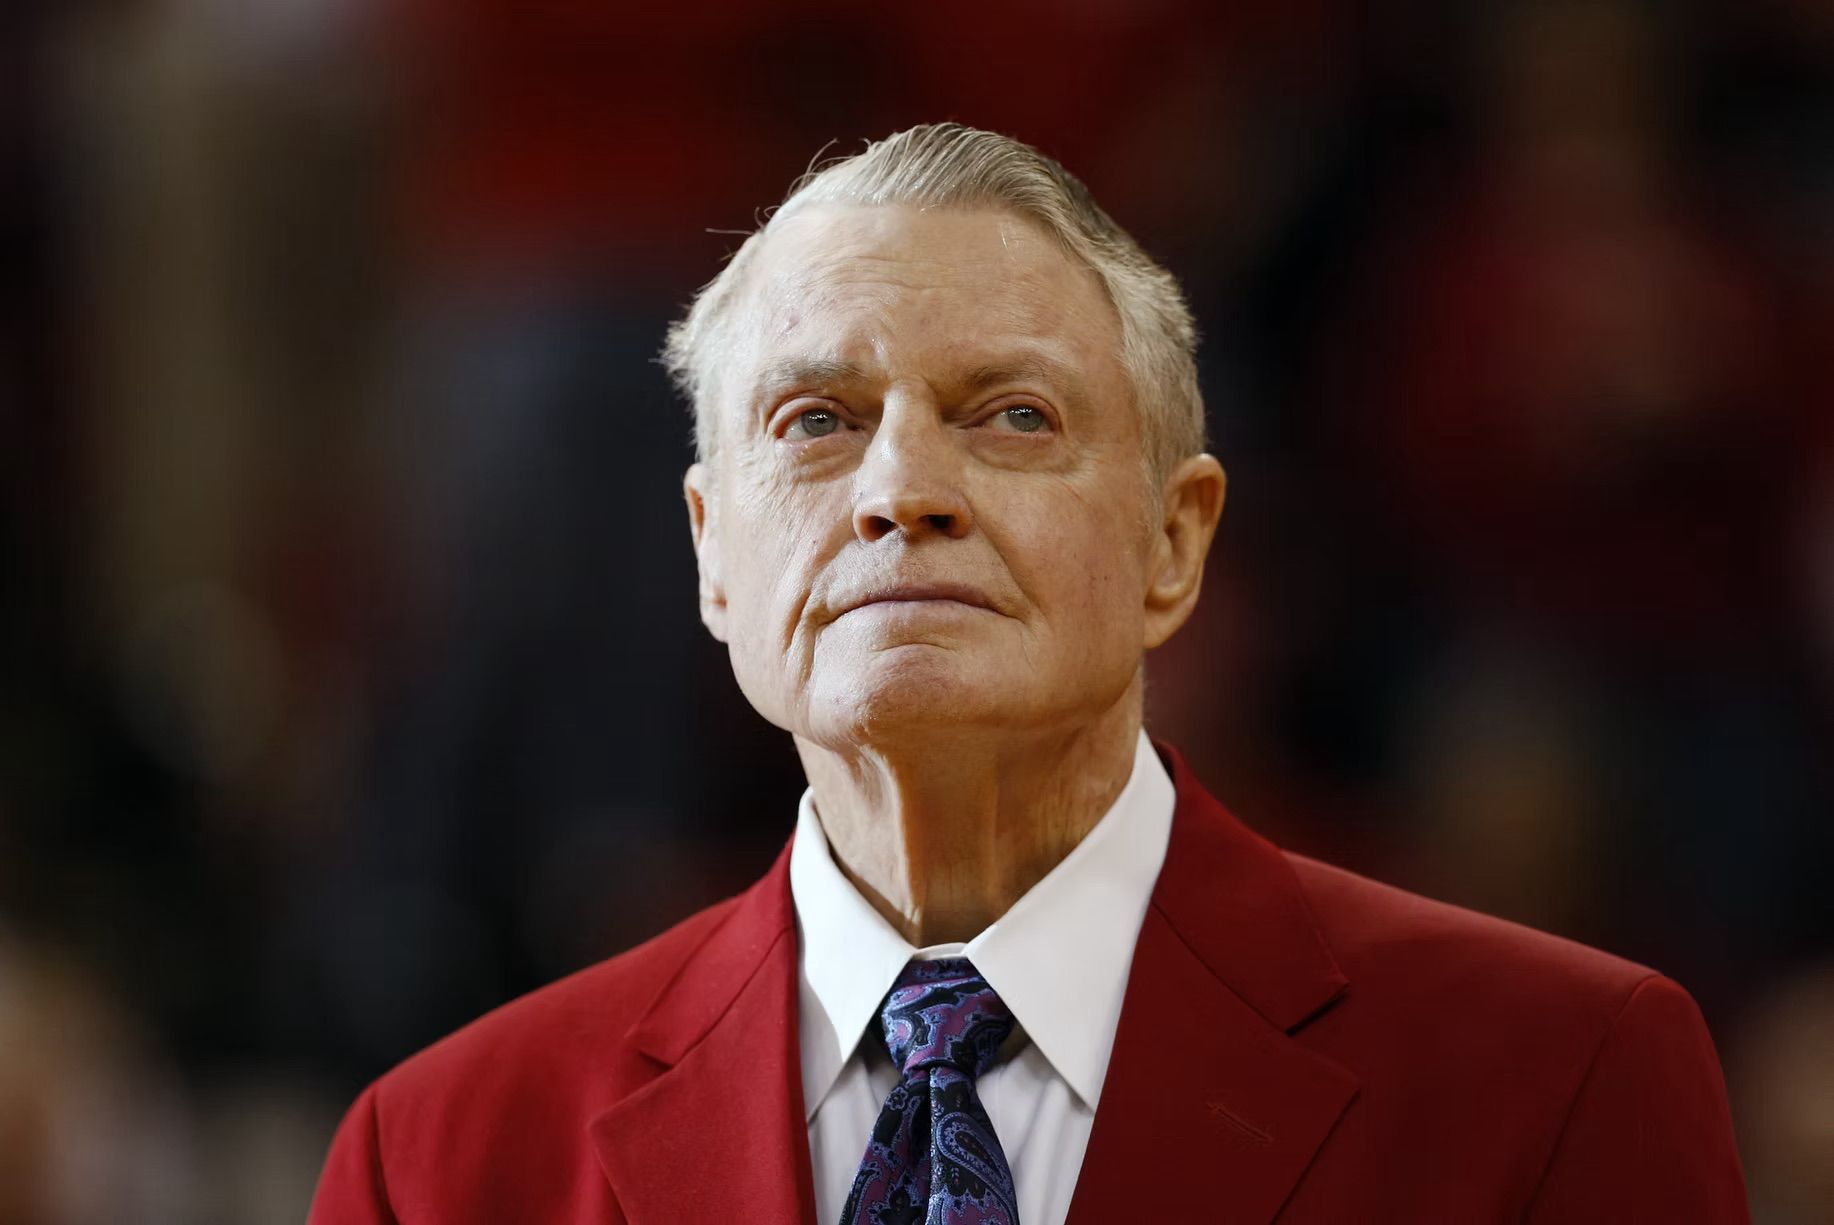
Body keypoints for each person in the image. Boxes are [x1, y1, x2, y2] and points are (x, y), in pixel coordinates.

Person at [307, 124, 1750, 1224]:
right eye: (814, 419)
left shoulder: (1556, 1076)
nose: (898, 491)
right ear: (712, 557)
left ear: (1172, 544)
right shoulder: (439, 1160)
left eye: (1007, 414)